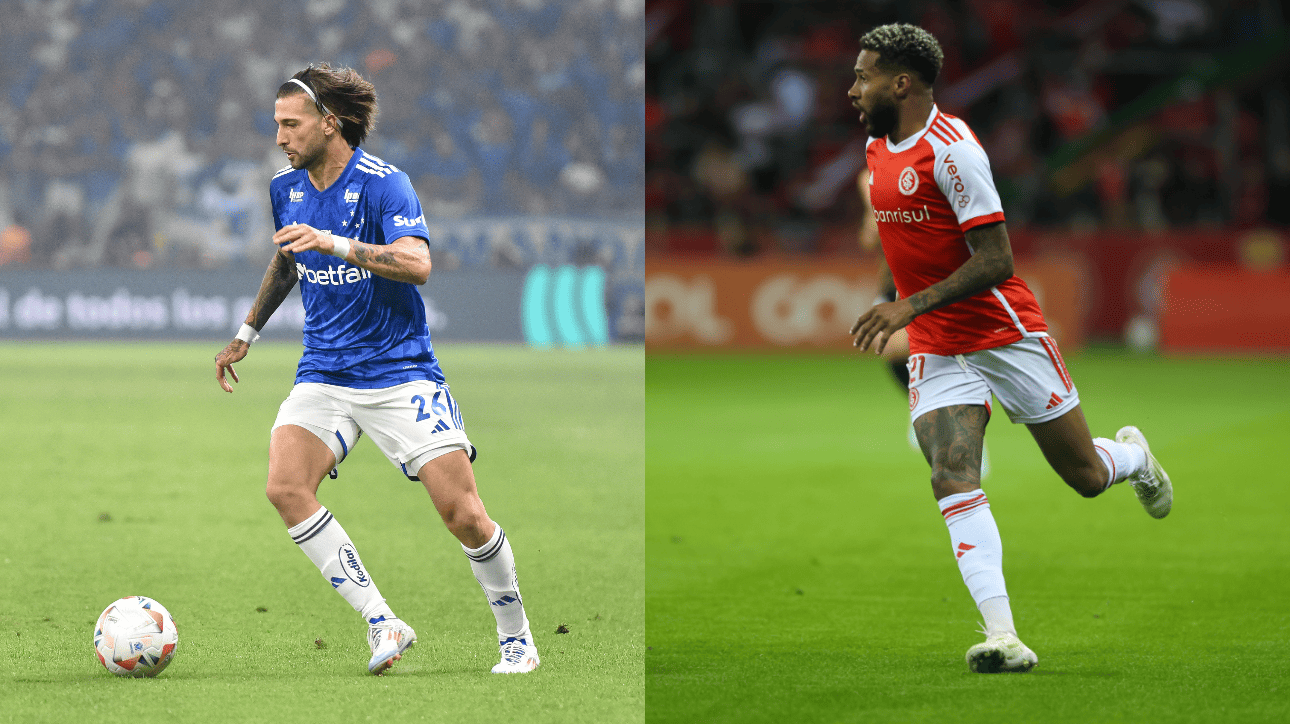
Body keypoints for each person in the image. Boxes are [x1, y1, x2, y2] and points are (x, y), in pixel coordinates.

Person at [846, 25, 1172, 673]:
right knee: (951, 474)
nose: (854, 89)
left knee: (1083, 476)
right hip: (940, 343)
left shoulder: (954, 151)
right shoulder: (878, 147)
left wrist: (906, 304)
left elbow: (998, 261)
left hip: (1004, 331)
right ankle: (1004, 636)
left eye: (864, 76)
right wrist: (911, 307)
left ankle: (1134, 457)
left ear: (901, 83)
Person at [214, 64, 539, 676]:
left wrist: (336, 243)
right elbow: (288, 258)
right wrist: (246, 332)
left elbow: (417, 264)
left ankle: (516, 635)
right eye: (276, 125)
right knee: (284, 486)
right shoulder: (286, 188)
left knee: (463, 515)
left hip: (400, 373)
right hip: (324, 374)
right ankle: (382, 621)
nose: (279, 137)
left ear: (329, 123)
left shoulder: (387, 184)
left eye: (291, 124)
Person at [858, 167, 991, 478]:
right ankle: (925, 407)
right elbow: (868, 237)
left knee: (925, 347)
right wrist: (873, 221)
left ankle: (964, 427)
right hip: (893, 284)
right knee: (888, 346)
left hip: (930, 281)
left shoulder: (932, 173)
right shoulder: (870, 177)